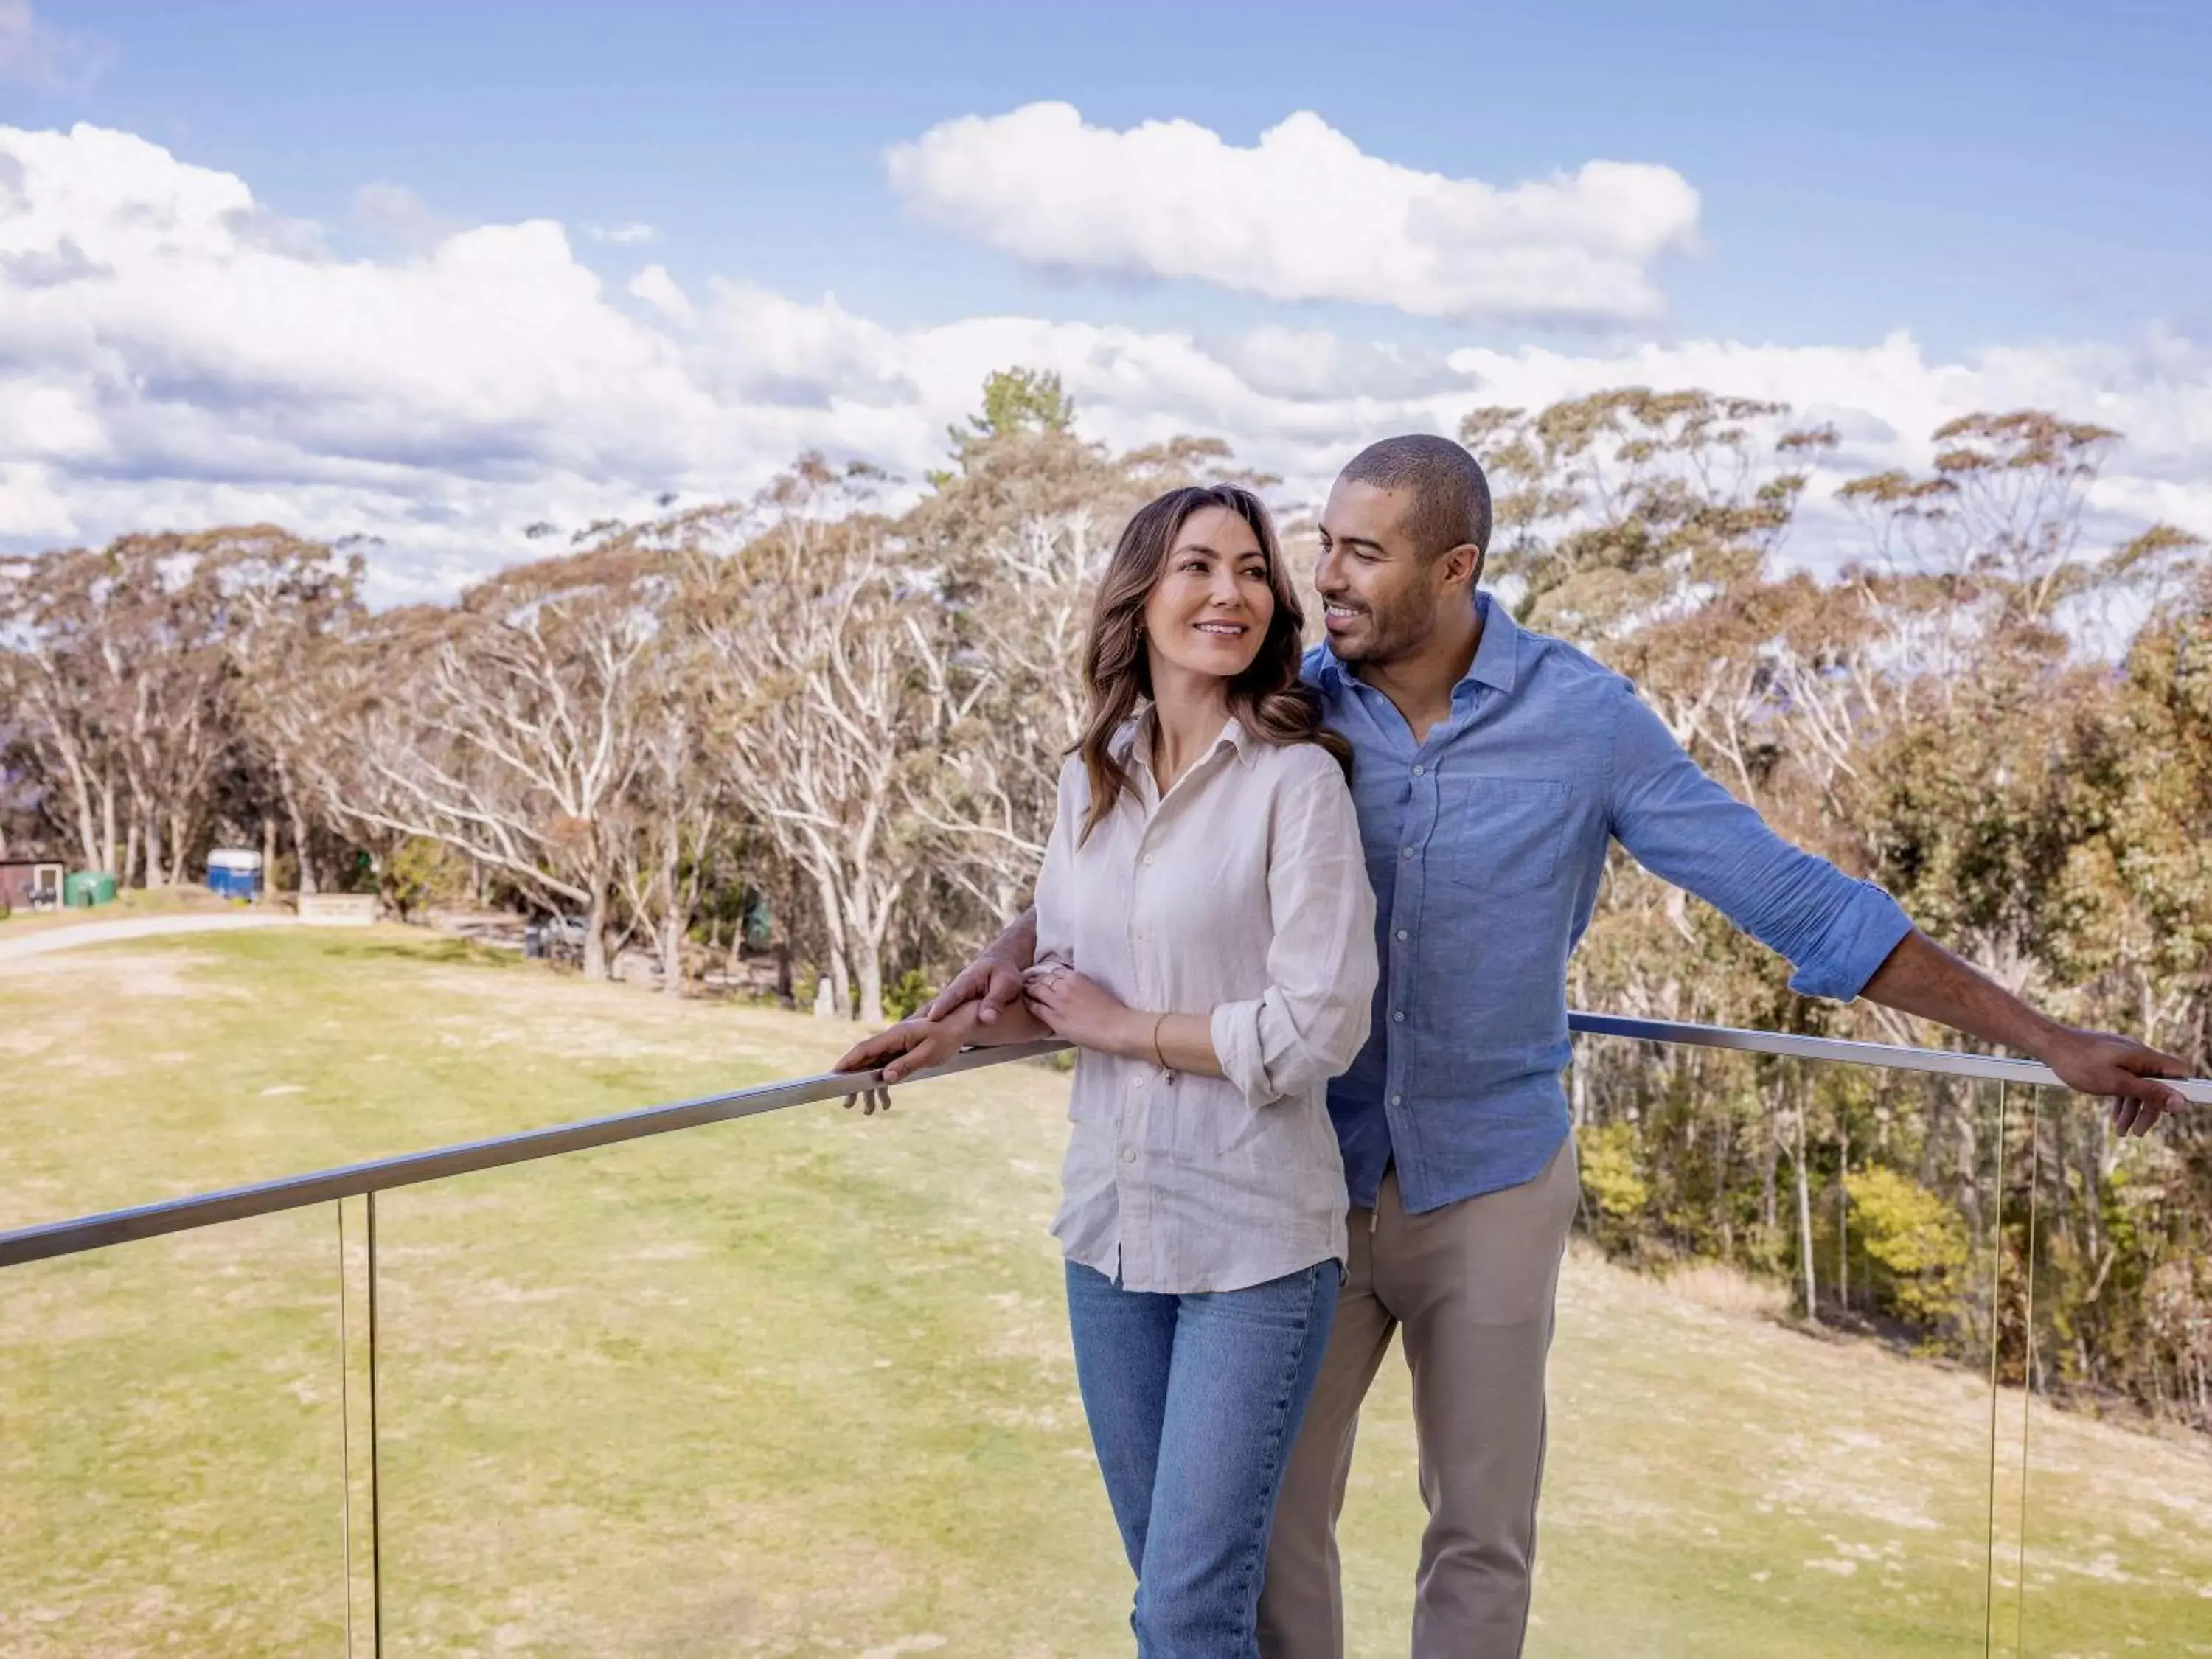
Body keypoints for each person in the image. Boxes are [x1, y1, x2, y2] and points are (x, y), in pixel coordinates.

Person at [841, 437, 2191, 1659]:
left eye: (1359, 554)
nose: (1325, 581)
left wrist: (2047, 1037)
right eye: (1321, 548)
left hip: (1489, 1175)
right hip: (1300, 1183)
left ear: (1456, 566)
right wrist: (977, 989)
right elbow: (1140, 851)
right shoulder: (1297, 706)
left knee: (1480, 1533)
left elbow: (1795, 902)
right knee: (1261, 1539)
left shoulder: (1586, 720)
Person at [844, 482, 1379, 1656]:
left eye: (1250, 571)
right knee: (1172, 1600)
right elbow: (1062, 977)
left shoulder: (1299, 785)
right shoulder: (1090, 775)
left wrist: (1129, 1026)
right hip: (1110, 1234)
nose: (1229, 592)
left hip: (1256, 1251)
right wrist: (952, 1030)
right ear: (1141, 598)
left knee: (1189, 1611)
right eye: (1198, 566)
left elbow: (1315, 1030)